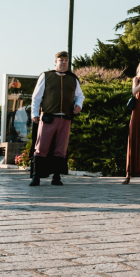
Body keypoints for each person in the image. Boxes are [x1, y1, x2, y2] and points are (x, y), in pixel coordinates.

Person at [29, 51, 85, 187]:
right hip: (48, 117)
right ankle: (36, 177)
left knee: (61, 149)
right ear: (56, 62)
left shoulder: (73, 78)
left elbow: (80, 95)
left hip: (65, 117)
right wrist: (34, 114)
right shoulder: (46, 76)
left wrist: (78, 105)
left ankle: (57, 177)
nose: (63, 62)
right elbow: (36, 97)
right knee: (41, 147)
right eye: (61, 60)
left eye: (66, 60)